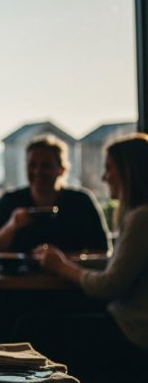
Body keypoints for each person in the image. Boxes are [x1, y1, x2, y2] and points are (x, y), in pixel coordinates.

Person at [24, 133, 148, 382]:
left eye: (109, 169)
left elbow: (108, 286)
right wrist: (72, 262)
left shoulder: (141, 218)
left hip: (133, 333)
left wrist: (63, 267)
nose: (104, 177)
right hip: (126, 324)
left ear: (128, 172)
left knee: (29, 329)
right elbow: (119, 261)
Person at [0, 134, 110, 261]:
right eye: (32, 165)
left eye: (46, 165)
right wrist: (11, 226)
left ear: (61, 169)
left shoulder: (81, 202)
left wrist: (60, 261)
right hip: (18, 281)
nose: (37, 171)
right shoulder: (10, 202)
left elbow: (103, 251)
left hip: (69, 280)